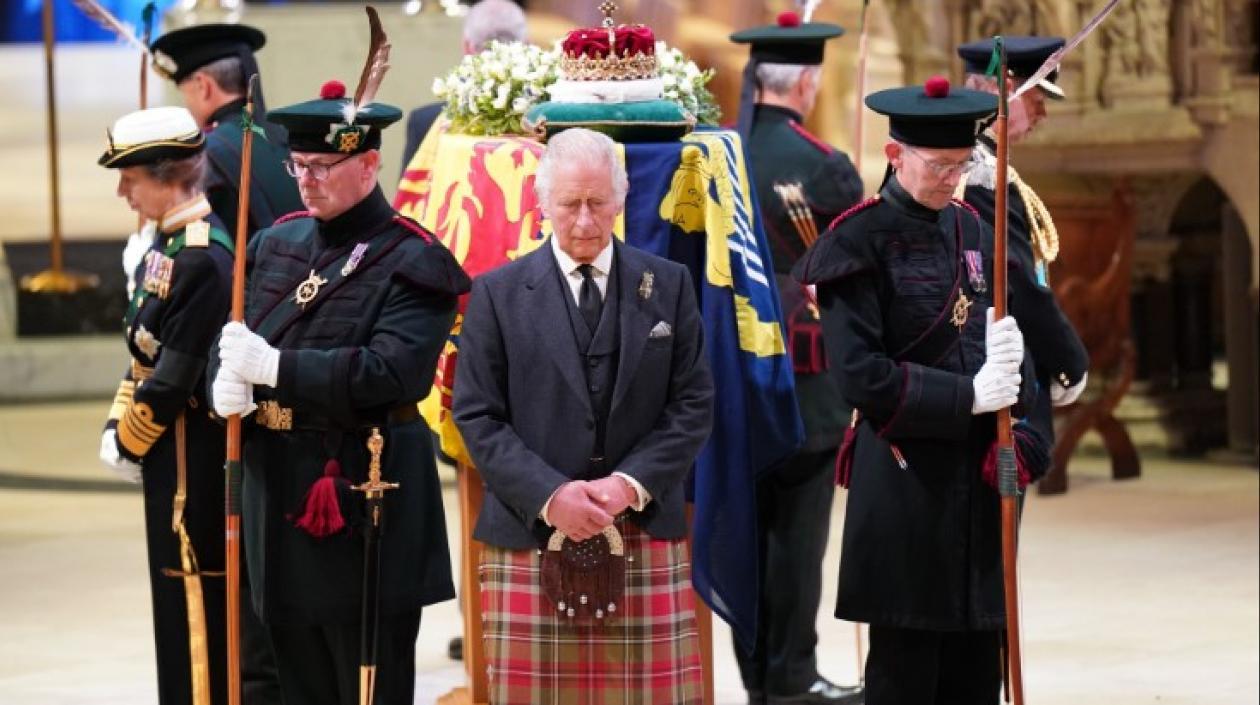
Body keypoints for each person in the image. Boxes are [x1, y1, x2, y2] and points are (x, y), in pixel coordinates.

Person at [208, 79, 469, 705]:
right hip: (280, 508)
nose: (306, 179)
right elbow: (241, 338)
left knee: (368, 688)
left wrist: (275, 369)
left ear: (370, 163)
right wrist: (222, 385)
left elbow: (390, 372)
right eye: (298, 165)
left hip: (362, 508)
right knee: (295, 686)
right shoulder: (277, 243)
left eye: (323, 166)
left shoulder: (413, 259)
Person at [792, 78, 1051, 704]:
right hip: (908, 486)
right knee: (907, 675)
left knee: (974, 673)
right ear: (894, 155)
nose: (951, 180)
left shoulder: (975, 230)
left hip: (982, 486)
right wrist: (967, 397)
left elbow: (1017, 347)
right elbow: (862, 376)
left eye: (962, 166)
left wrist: (1027, 428)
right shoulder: (854, 244)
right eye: (938, 166)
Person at [453, 127, 714, 705]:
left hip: (641, 525)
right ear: (542, 202)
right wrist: (553, 496)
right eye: (570, 204)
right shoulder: (495, 294)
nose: (586, 221)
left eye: (599, 203)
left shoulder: (668, 285)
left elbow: (693, 404)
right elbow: (476, 417)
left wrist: (626, 486)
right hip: (529, 532)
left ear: (621, 200)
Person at [729, 13, 864, 705]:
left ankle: (757, 674)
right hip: (807, 378)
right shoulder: (825, 166)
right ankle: (793, 674)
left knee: (748, 533)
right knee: (800, 534)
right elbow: (860, 275)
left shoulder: (718, 156)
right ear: (808, 82)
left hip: (733, 376)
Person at [97, 105, 234, 705]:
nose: (123, 191)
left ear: (170, 175)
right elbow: (144, 356)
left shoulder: (199, 257)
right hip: (168, 459)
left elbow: (173, 377)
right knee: (174, 606)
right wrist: (115, 422)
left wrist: (128, 438)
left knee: (193, 606)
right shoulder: (169, 245)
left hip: (189, 466)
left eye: (132, 177)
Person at [957, 36, 1089, 442]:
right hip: (993, 372)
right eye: (1038, 100)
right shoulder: (980, 174)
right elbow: (1015, 281)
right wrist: (1070, 362)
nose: (1043, 114)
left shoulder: (970, 159)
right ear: (1008, 91)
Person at [150, 22, 302, 239]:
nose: (187, 105)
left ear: (204, 86)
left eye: (185, 93)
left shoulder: (204, 154)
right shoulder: (289, 135)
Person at [399, 0, 528, 173]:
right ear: (527, 44)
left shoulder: (426, 123)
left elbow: (410, 197)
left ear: (467, 47)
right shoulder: (546, 123)